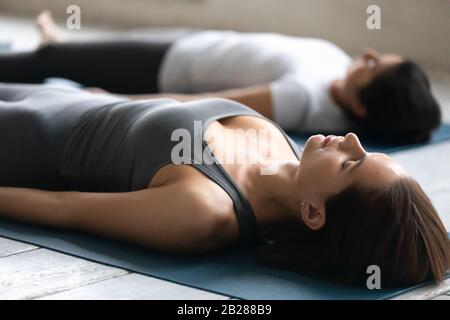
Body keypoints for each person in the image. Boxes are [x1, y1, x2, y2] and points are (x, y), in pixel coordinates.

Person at [0, 82, 449, 287]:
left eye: (352, 164)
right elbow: (174, 103)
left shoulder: (204, 211)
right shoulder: (284, 148)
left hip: (27, 142)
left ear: (314, 212)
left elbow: (63, 207)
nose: (353, 141)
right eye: (366, 151)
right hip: (72, 99)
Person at [0, 11, 441, 145]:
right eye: (376, 56)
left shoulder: (304, 99)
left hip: (169, 67)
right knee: (76, 52)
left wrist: (115, 96)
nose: (365, 54)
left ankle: (54, 53)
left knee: (51, 60)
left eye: (371, 65)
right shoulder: (338, 80)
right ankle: (65, 50)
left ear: (361, 107)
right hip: (196, 43)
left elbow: (215, 101)